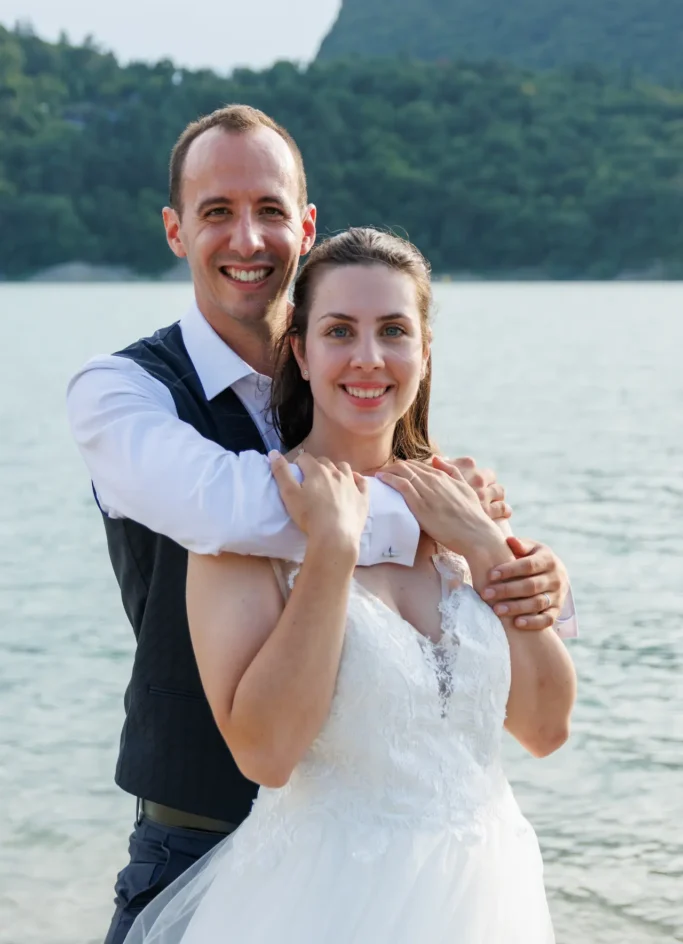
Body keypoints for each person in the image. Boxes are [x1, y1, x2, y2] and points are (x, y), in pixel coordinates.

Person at [66, 106, 577, 944]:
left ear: (305, 226)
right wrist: (393, 529)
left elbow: (543, 719)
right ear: (174, 229)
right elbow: (221, 507)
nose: (247, 237)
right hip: (205, 840)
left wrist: (505, 557)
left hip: (468, 881)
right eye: (216, 211)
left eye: (269, 209)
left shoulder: (442, 487)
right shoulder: (124, 393)